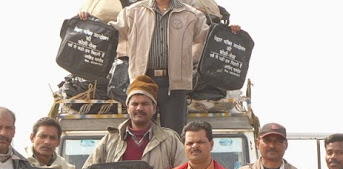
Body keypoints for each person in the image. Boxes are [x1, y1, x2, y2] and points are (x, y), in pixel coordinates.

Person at [80, 1, 241, 134]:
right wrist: (88, 21)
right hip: (143, 82)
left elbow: (210, 39)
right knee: (140, 133)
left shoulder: (191, 14)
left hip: (176, 85)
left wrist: (230, 33)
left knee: (174, 135)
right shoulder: (133, 12)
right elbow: (110, 33)